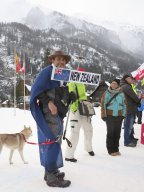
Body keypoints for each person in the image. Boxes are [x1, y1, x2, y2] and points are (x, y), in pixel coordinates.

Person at [30, 50, 76, 188]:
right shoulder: (47, 72)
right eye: (58, 59)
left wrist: (70, 96)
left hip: (58, 113)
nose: (61, 62)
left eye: (63, 60)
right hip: (49, 112)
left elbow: (60, 92)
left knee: (55, 141)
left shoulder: (63, 74)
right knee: (52, 141)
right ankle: (51, 177)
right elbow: (37, 90)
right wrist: (49, 103)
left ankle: (51, 171)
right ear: (52, 60)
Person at [65, 67, 95, 163]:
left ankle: (88, 148)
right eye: (80, 74)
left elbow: (82, 95)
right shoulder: (71, 82)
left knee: (89, 130)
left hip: (84, 109)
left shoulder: (82, 83)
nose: (82, 75)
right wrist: (71, 94)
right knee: (74, 133)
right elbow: (69, 93)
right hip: (75, 110)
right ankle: (69, 155)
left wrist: (87, 98)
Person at [101, 79, 126, 156]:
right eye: (112, 83)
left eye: (115, 84)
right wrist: (103, 115)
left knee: (117, 133)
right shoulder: (106, 93)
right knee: (110, 133)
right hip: (109, 116)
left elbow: (124, 105)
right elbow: (103, 105)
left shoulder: (121, 94)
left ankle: (116, 148)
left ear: (118, 85)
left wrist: (123, 114)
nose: (113, 85)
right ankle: (110, 150)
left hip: (119, 116)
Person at [120, 74, 141, 147]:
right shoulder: (126, 87)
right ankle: (127, 141)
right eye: (131, 78)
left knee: (130, 124)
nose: (132, 80)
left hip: (129, 108)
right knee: (128, 125)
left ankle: (131, 138)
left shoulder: (125, 86)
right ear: (127, 79)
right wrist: (139, 99)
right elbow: (134, 97)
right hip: (129, 108)